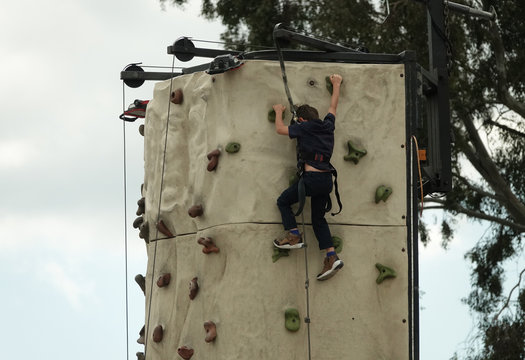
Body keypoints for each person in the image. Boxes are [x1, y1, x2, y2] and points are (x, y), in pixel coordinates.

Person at [273, 73, 344, 281]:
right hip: (326, 182)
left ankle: (293, 234)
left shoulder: (304, 127)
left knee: (283, 201)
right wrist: (336, 84)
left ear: (302, 120)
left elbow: (279, 129)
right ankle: (331, 255)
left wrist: (278, 112)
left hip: (311, 181)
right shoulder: (327, 126)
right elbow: (333, 107)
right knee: (318, 219)